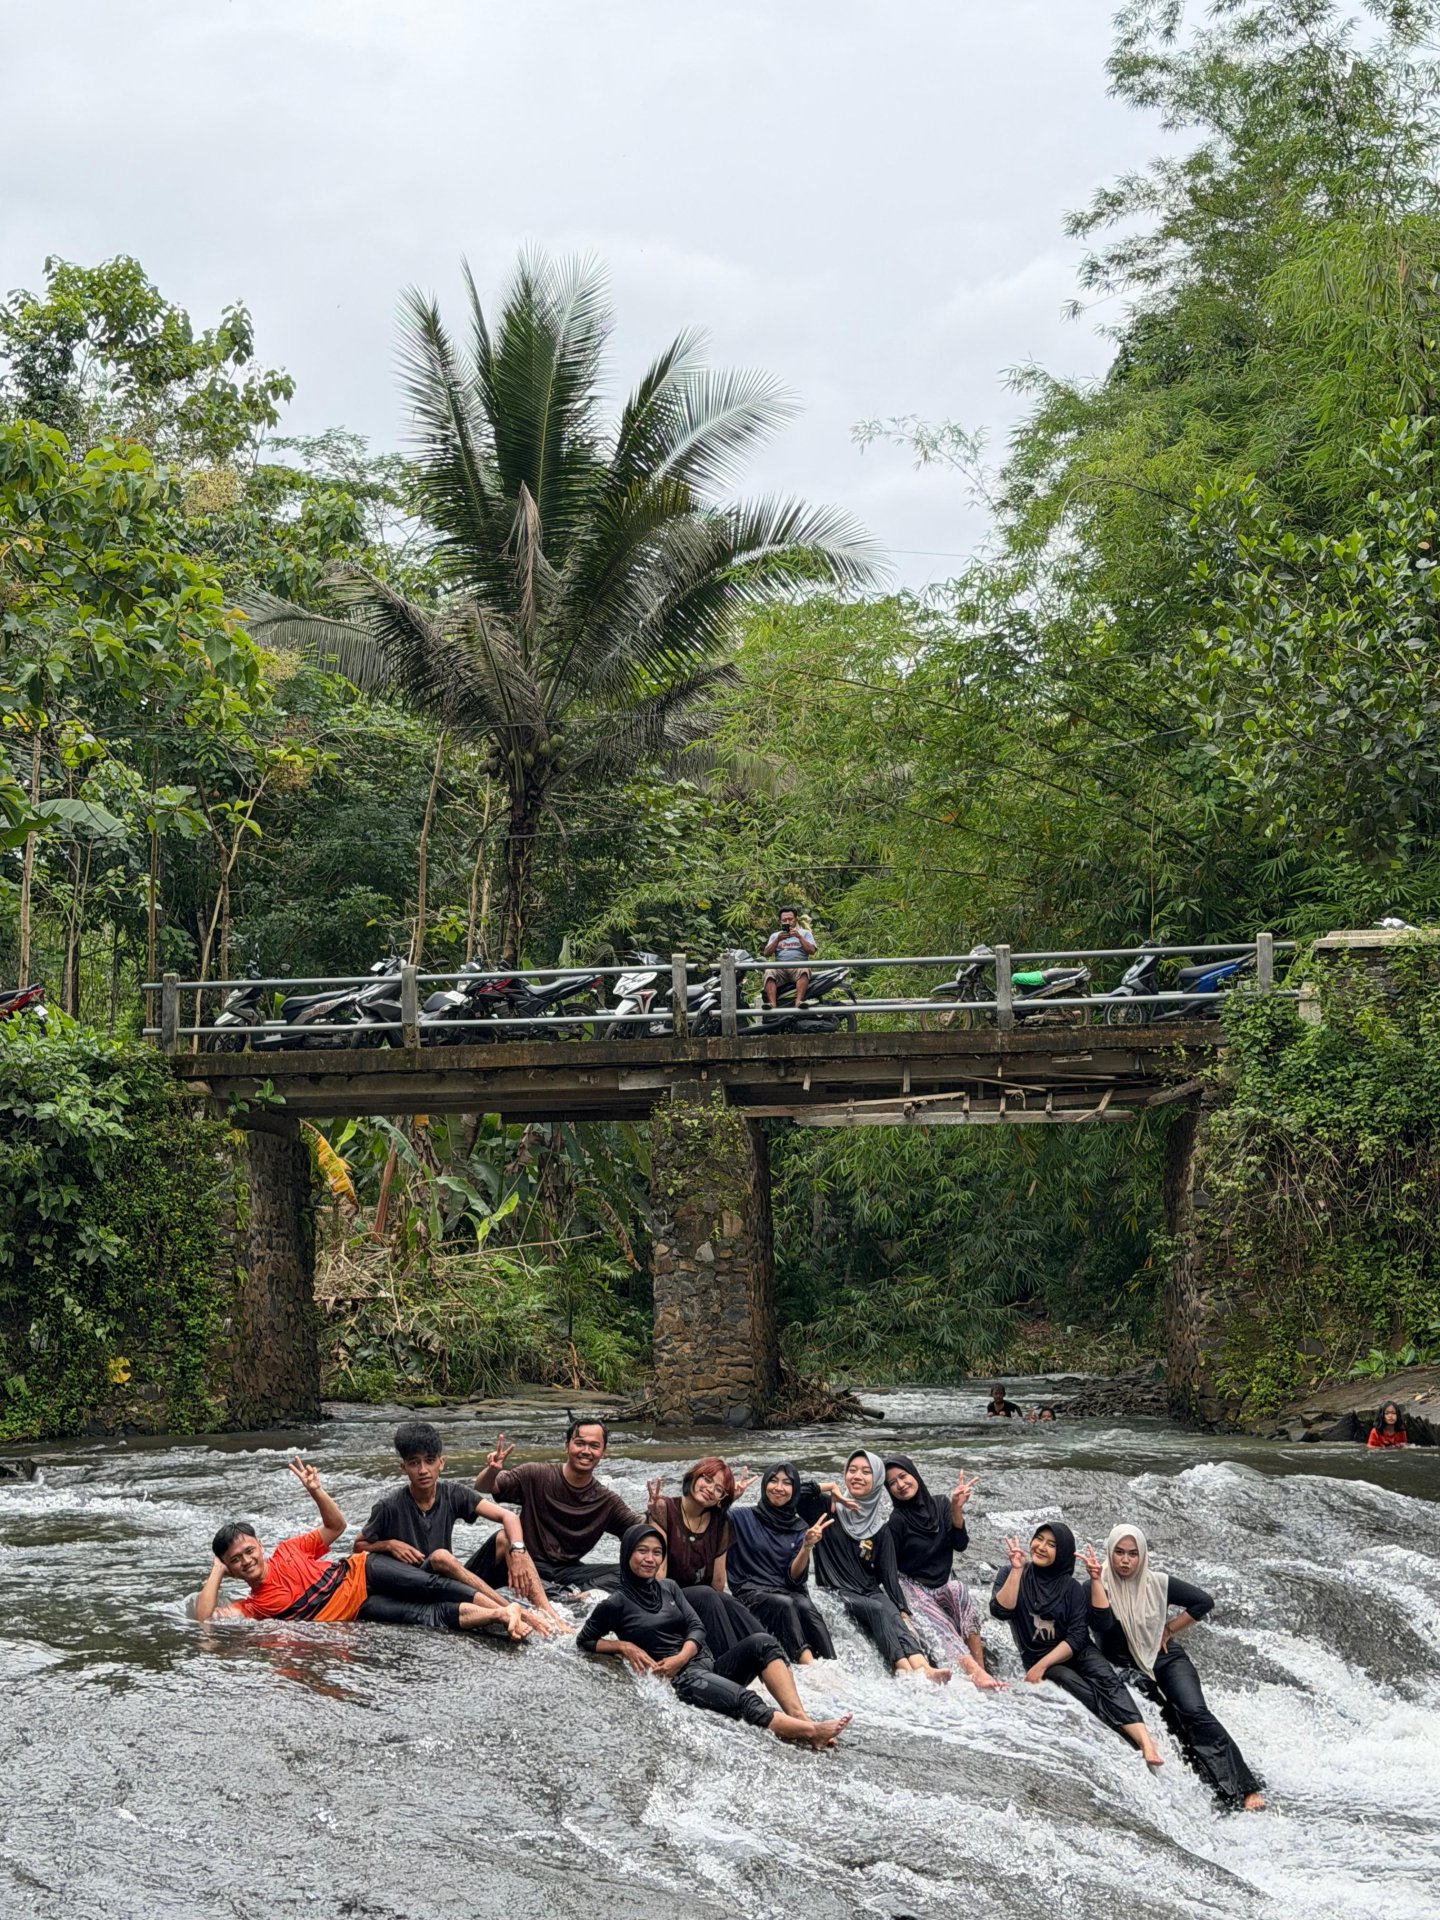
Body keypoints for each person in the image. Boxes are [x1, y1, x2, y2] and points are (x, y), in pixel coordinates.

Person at [577, 1523, 852, 1749]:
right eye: (642, 1552)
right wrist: (623, 1646)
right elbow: (585, 1640)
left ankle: (799, 1716)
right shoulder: (615, 1603)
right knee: (745, 1700)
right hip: (684, 1682)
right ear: (627, 1554)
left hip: (706, 1665)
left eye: (657, 1552)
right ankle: (809, 1732)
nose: (650, 1559)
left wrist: (682, 1655)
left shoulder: (669, 1587)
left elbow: (697, 1627)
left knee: (763, 1643)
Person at [195, 1456, 530, 1638]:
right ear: (232, 1569)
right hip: (359, 1610)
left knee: (431, 1586)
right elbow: (205, 1620)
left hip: (362, 1572)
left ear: (260, 1546)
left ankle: (522, 1614)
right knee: (428, 1616)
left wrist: (316, 1491)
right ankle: (503, 1614)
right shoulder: (252, 1606)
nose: (246, 1561)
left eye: (249, 1551)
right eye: (236, 1560)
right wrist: (216, 1569)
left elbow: (336, 1527)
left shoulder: (288, 1550)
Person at [1085, 1525, 1265, 1812]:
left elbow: (1203, 1602)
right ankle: (1214, 1786)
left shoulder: (1156, 1582)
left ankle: (1246, 1788)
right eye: (1119, 1552)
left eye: (1133, 1554)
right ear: (1110, 1552)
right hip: (1127, 1669)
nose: (1125, 1560)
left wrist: (1169, 1629)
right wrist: (1096, 1582)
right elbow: (1100, 1625)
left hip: (1166, 1659)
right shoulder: (1096, 1586)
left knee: (1194, 1711)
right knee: (1171, 1723)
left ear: (1142, 1556)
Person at [354, 1418, 563, 1632]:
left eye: (429, 1460)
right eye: (414, 1463)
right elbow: (359, 1547)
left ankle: (549, 1615)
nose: (423, 1470)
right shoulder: (388, 1506)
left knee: (506, 1538)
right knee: (440, 1556)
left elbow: (509, 1517)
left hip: (451, 1579)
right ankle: (522, 1615)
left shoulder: (453, 1493)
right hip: (415, 1585)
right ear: (403, 1467)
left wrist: (517, 1552)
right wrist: (389, 1545)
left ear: (441, 1462)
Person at [989, 1521, 1162, 1765]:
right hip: (1039, 1656)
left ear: (1062, 1553)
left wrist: (1041, 1666)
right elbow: (1000, 1611)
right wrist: (1017, 1570)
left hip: (1075, 1650)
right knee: (1069, 1680)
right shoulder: (1011, 1573)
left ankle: (1146, 1741)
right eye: (1039, 1539)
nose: (1041, 1547)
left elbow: (1078, 1636)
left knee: (1106, 1678)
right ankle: (1122, 1731)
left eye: (1051, 1544)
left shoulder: (1071, 1588)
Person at [798, 1451, 951, 1680]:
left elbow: (889, 1576)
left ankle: (922, 1666)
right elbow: (793, 1494)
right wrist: (830, 1487)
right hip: (836, 1590)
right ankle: (902, 1667)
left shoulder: (880, 1529)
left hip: (868, 1591)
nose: (857, 1476)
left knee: (889, 1608)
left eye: (866, 1472)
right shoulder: (825, 1507)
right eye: (852, 1470)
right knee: (879, 1609)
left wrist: (903, 1610)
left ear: (878, 1480)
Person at [466, 1417, 641, 1598]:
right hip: (523, 1562)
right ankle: (563, 1594)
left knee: (632, 1572)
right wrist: (492, 1470)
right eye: (579, 1443)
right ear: (567, 1446)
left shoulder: (607, 1501)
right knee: (502, 1539)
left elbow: (642, 1533)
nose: (586, 1451)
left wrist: (658, 1511)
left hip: (567, 1573)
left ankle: (572, 1595)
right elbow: (485, 1487)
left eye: (594, 1446)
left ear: (603, 1452)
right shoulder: (535, 1474)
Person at [883, 1456, 1002, 1690]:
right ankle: (973, 1671)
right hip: (911, 1586)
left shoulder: (940, 1505)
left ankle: (981, 1668)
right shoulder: (896, 1521)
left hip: (940, 1585)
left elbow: (960, 1544)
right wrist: (901, 1607)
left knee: (959, 1590)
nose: (900, 1484)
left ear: (914, 1474)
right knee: (940, 1621)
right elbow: (887, 1565)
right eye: (892, 1483)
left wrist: (957, 1508)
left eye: (903, 1476)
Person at [645, 1457, 767, 1657]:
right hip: (664, 1598)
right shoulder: (663, 1508)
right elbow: (659, 1578)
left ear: (721, 1498)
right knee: (706, 1596)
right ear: (693, 1476)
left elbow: (718, 1583)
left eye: (719, 1489)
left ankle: (771, 1657)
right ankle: (731, 1664)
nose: (711, 1489)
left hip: (702, 1598)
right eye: (707, 1479)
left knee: (732, 1603)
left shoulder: (720, 1522)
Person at [725, 1462, 837, 1664]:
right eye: (773, 1481)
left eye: (787, 1483)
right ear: (765, 1485)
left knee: (805, 1605)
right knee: (784, 1604)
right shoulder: (740, 1517)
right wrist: (730, 1499)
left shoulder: (800, 1526)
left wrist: (806, 1546)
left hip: (785, 1589)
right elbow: (712, 1519)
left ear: (794, 1491)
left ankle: (832, 1663)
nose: (778, 1487)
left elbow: (794, 1578)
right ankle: (808, 1665)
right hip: (750, 1590)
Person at [762, 906, 817, 1009]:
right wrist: (777, 940)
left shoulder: (805, 933)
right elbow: (766, 953)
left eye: (790, 919)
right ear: (780, 922)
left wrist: (799, 937)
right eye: (784, 920)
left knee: (804, 969)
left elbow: (812, 951)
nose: (788, 922)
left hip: (798, 967)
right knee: (769, 971)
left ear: (795, 919)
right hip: (780, 969)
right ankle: (772, 1004)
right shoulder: (775, 935)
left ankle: (799, 1002)